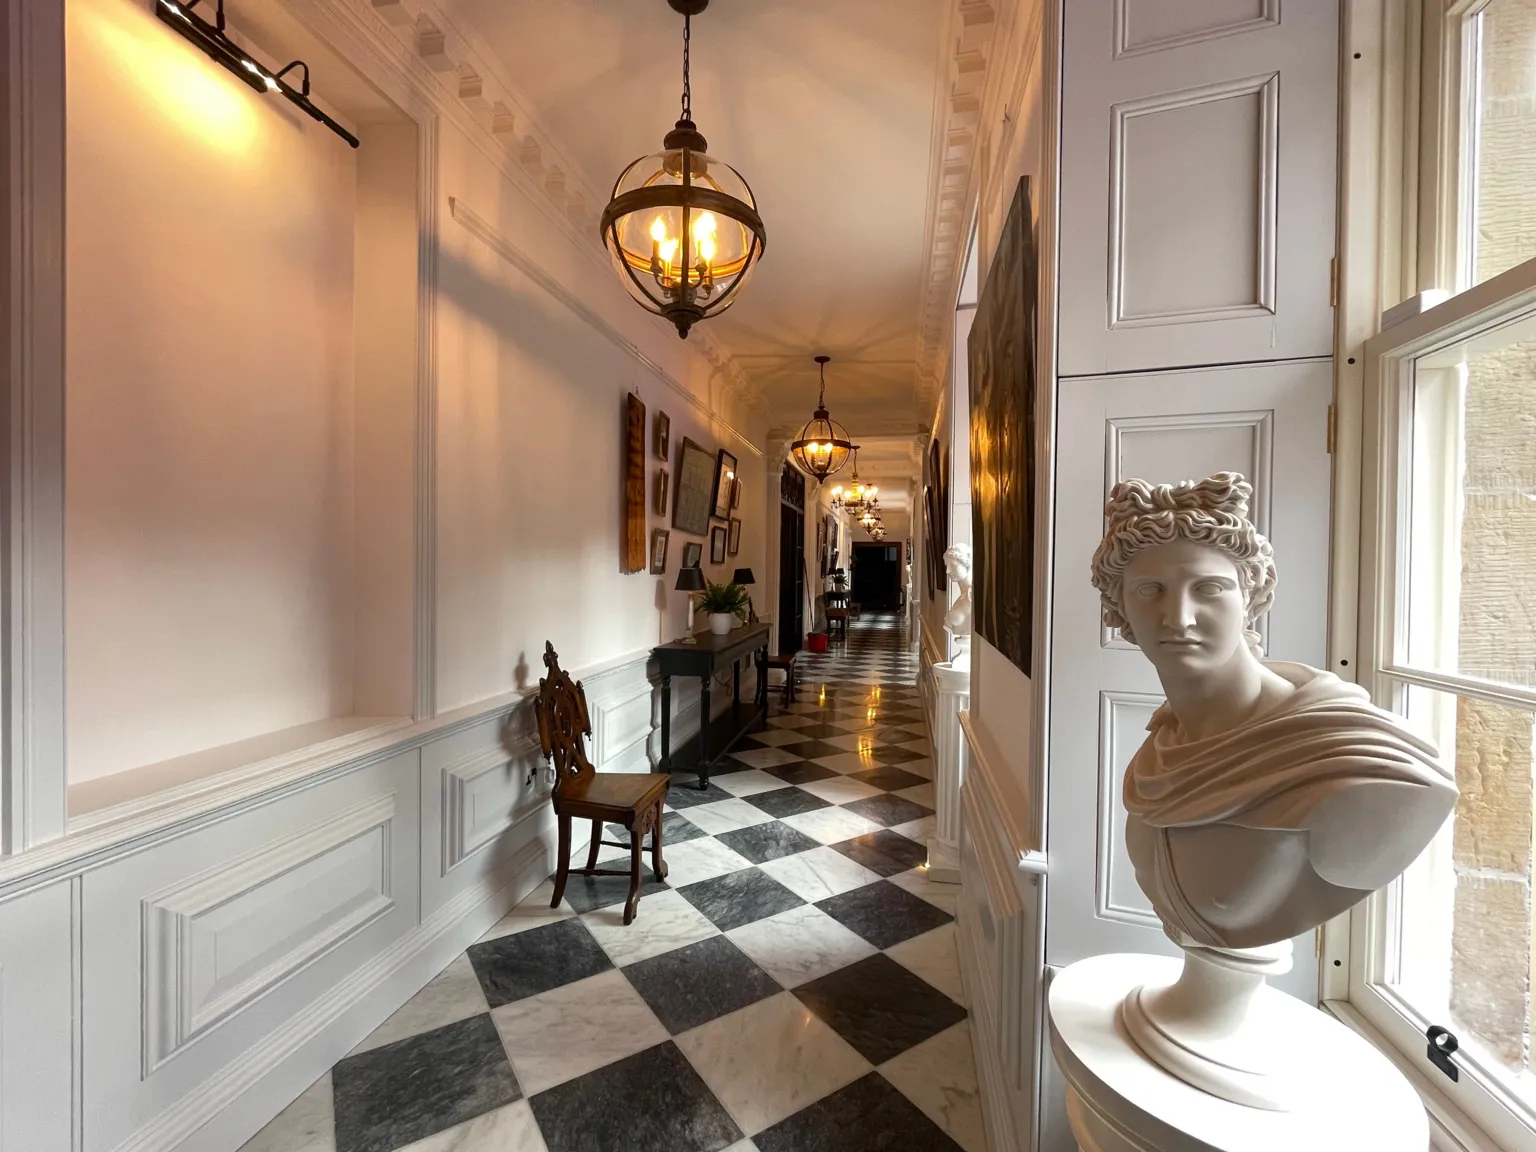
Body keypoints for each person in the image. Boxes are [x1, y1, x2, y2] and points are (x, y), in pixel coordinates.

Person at [1089, 473, 1456, 951]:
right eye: (1150, 590)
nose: (1178, 617)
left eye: (1209, 588)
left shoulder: (1362, 761)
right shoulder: (1166, 744)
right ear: (1119, 608)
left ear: (1251, 598)